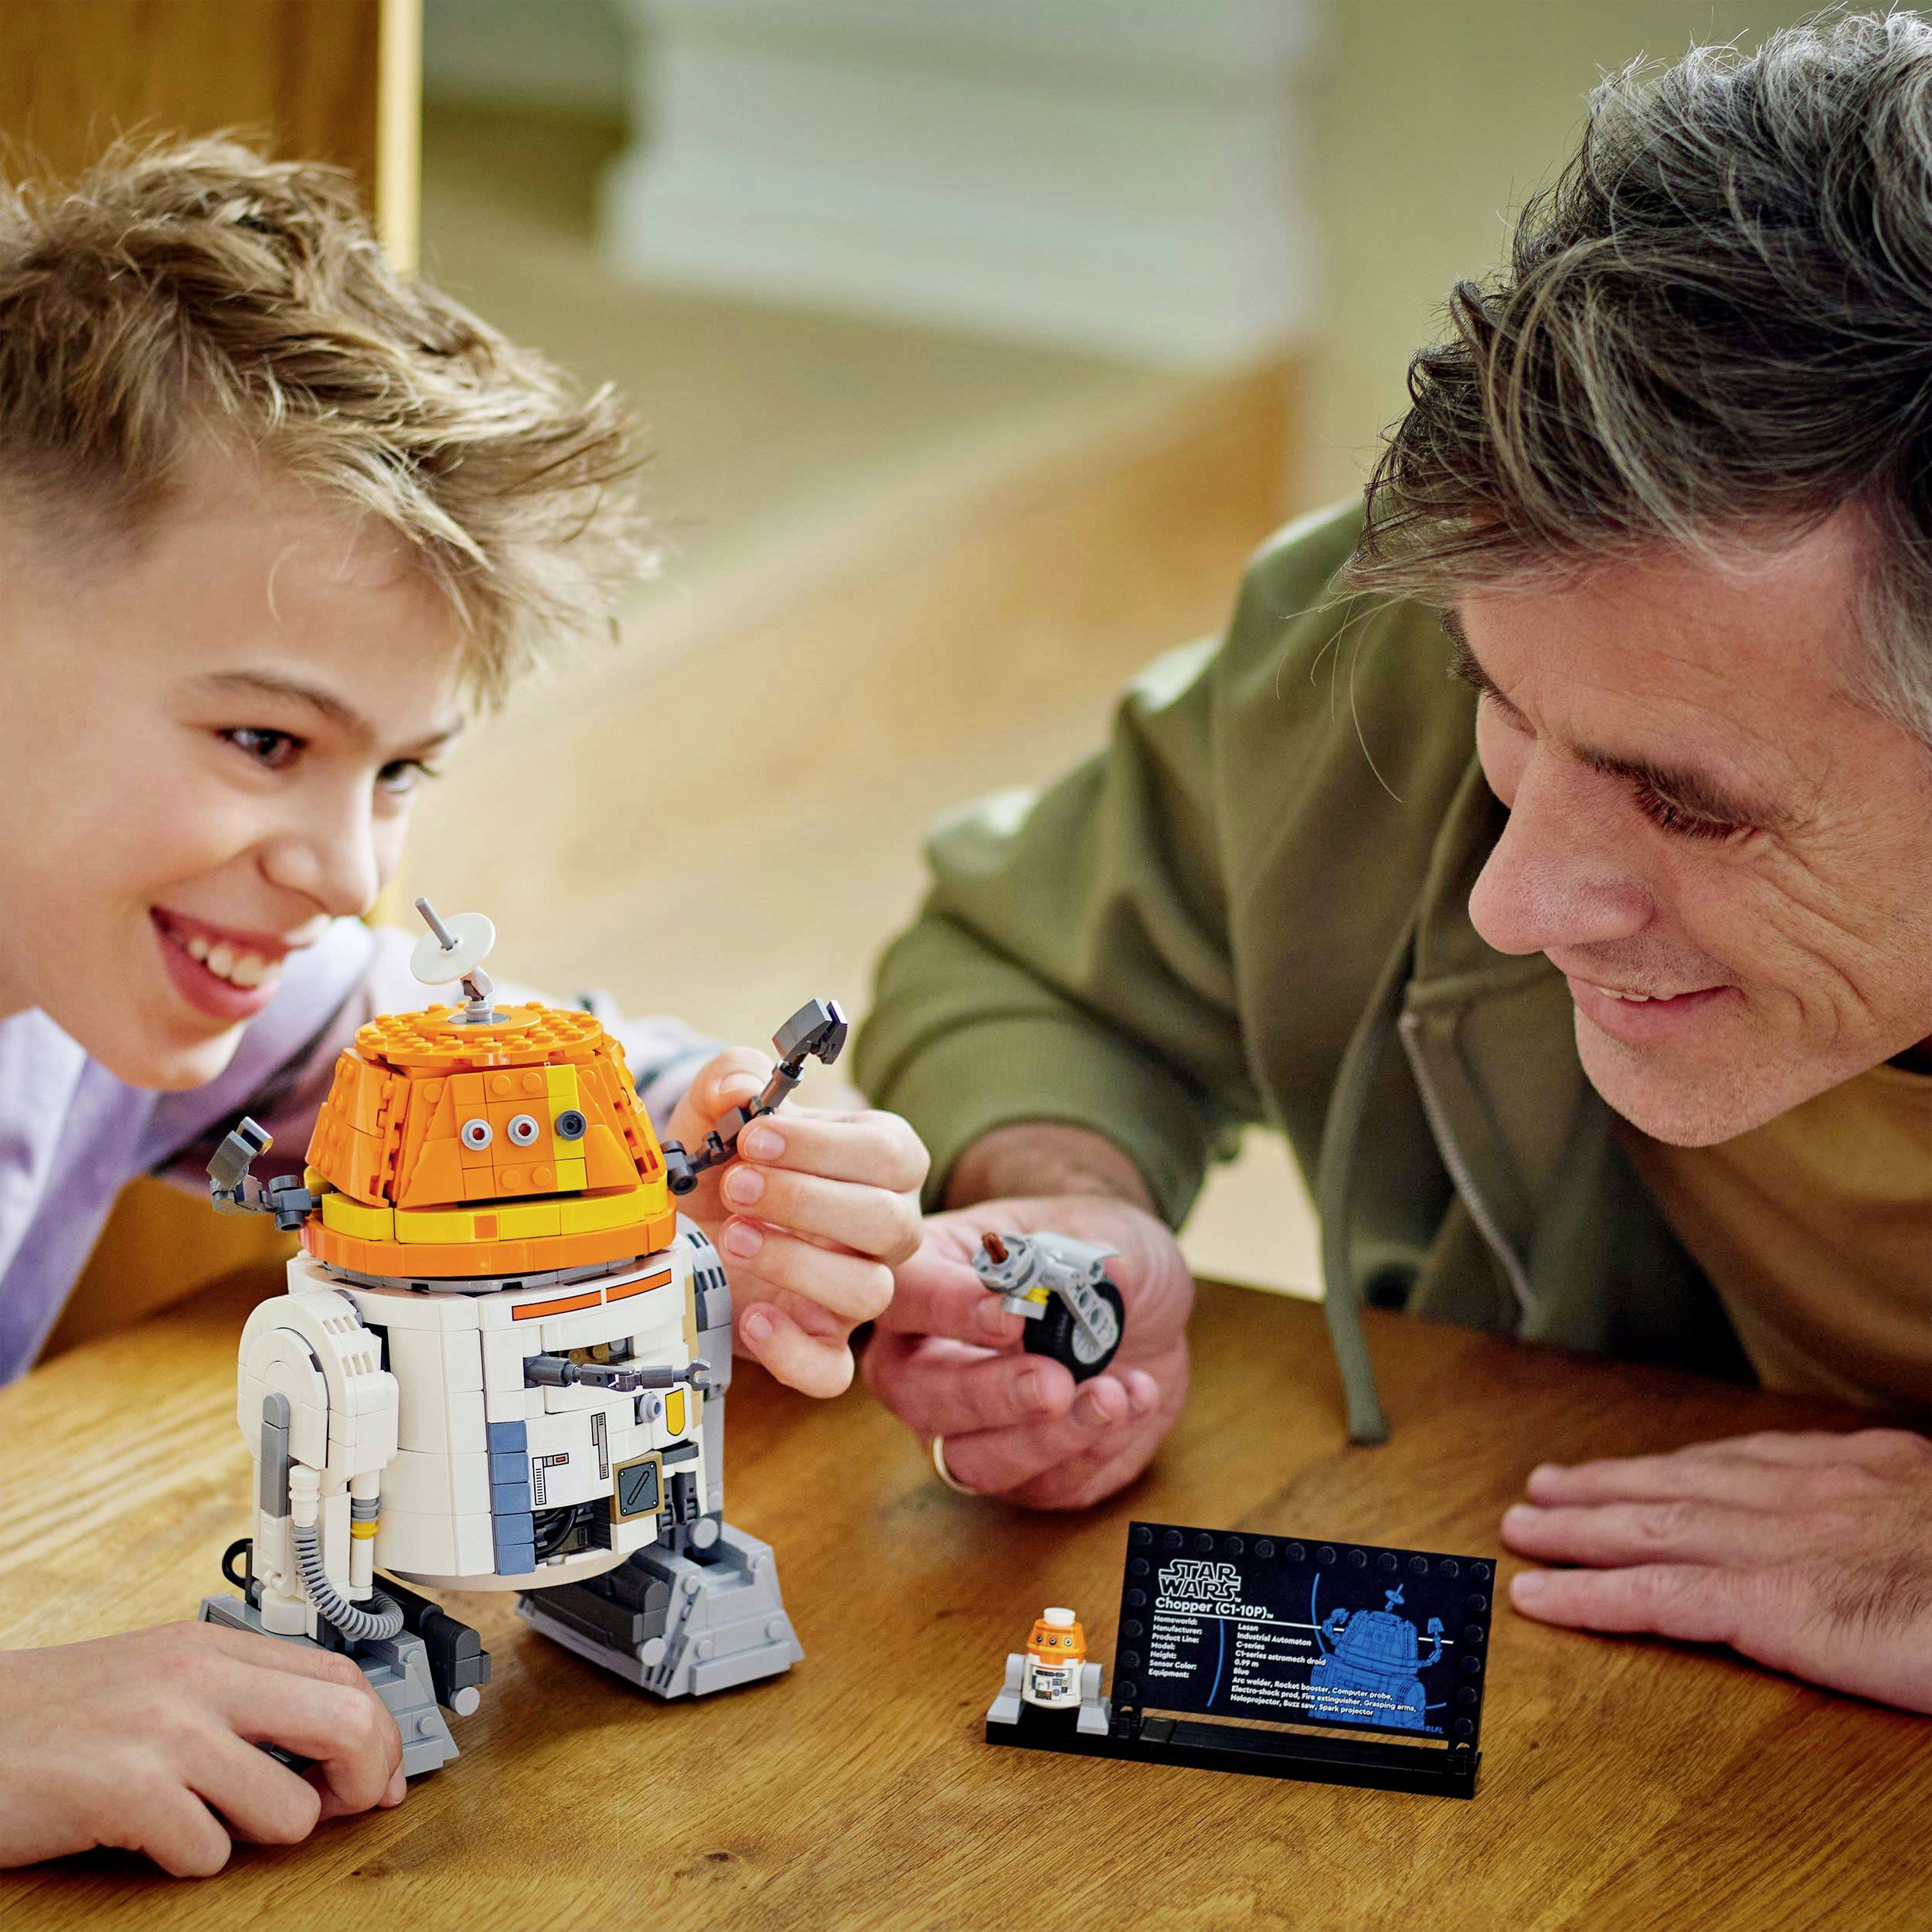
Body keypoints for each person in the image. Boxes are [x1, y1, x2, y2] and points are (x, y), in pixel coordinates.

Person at [855, 13, 1932, 1717]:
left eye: (1689, 803)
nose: (1512, 896)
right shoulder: (1441, 625)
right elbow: (1032, 965)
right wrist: (1065, 1200)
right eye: (1505, 711)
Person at [0, 139, 925, 1875]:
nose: (348, 872)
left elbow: (443, 1071)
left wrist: (720, 1137)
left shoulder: (132, 969)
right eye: (263, 739)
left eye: (400, 766)